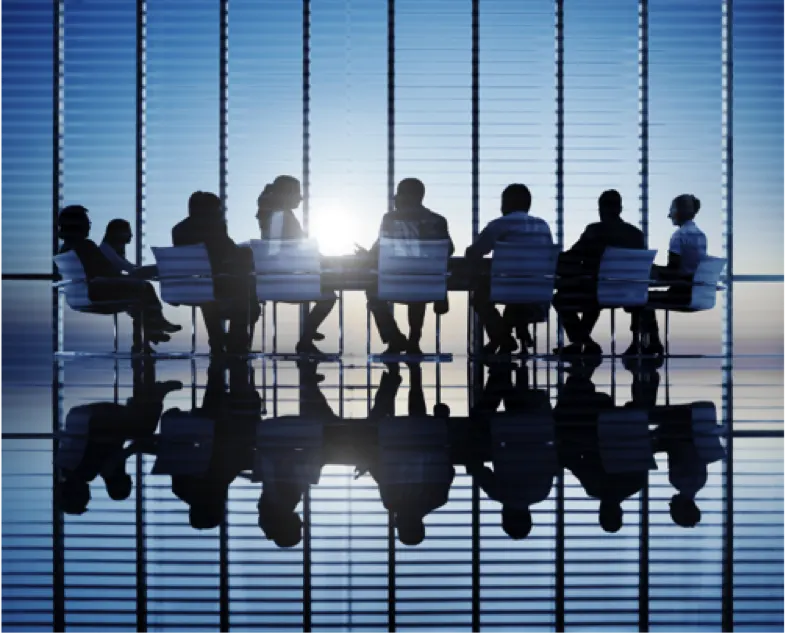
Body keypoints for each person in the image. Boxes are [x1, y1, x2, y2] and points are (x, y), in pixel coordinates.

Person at [57, 205, 179, 351]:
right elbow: (106, 271)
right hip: (95, 292)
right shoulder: (86, 246)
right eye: (87, 223)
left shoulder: (65, 249)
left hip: (80, 296)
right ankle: (155, 327)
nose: (89, 226)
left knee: (139, 296)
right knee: (145, 288)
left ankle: (148, 335)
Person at [359, 178, 454, 355]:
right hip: (427, 284)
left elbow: (379, 250)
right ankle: (414, 340)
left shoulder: (389, 219)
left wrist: (366, 255)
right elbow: (449, 249)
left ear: (405, 196)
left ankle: (394, 338)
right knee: (417, 287)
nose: (395, 199)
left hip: (394, 281)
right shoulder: (438, 220)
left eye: (398, 194)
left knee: (372, 291)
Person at [553, 190, 645, 356]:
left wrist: (552, 257)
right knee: (593, 293)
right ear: (620, 209)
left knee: (560, 298)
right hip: (629, 294)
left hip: (596, 292)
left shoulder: (595, 230)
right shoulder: (636, 235)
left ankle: (582, 341)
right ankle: (581, 342)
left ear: (601, 209)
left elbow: (573, 256)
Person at [465, 183, 554, 354]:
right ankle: (508, 336)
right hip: (538, 292)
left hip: (507, 288)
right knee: (517, 294)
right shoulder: (543, 226)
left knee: (480, 297)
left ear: (505, 204)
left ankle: (502, 337)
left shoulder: (499, 225)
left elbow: (474, 252)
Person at [255, 176, 336, 355]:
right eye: (297, 193)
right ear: (287, 194)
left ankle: (308, 331)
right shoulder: (284, 217)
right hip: (291, 281)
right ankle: (306, 338)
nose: (300, 198)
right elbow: (300, 248)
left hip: (271, 281)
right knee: (329, 296)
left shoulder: (268, 216)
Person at [172, 191, 261, 354]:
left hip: (192, 286)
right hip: (219, 284)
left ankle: (218, 339)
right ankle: (238, 337)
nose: (221, 212)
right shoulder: (214, 227)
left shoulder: (178, 229)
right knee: (244, 281)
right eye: (219, 209)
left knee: (211, 288)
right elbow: (227, 252)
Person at [629, 194, 707, 355]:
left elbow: (674, 272)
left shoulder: (679, 236)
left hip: (681, 293)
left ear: (680, 211)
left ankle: (647, 345)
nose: (669, 214)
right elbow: (686, 268)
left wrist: (652, 268)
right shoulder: (700, 235)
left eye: (671, 209)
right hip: (696, 292)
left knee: (639, 300)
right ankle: (648, 344)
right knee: (643, 299)